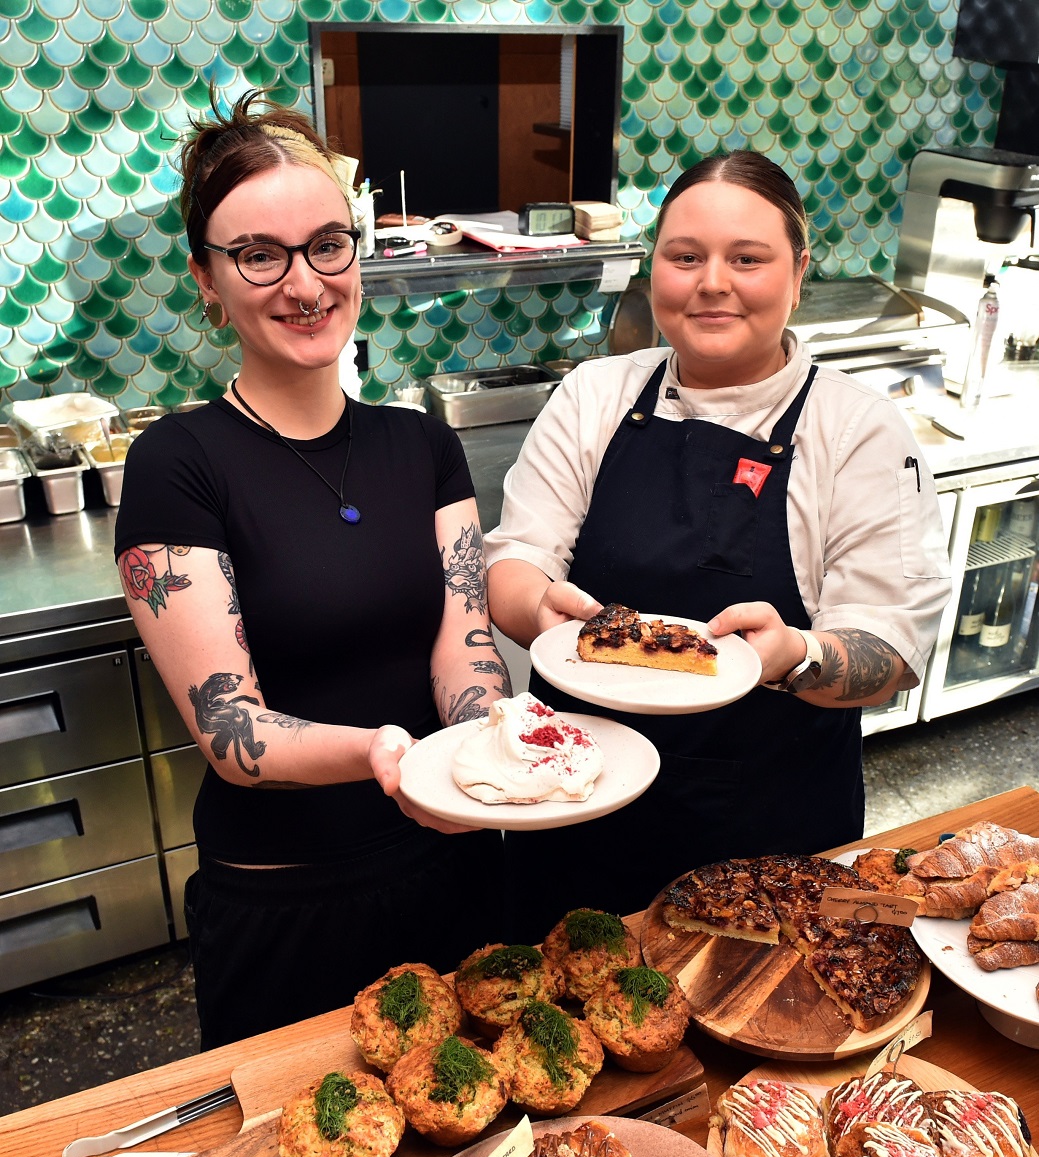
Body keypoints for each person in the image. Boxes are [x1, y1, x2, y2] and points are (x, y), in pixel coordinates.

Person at [114, 92, 511, 1049]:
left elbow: (463, 651)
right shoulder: (178, 462)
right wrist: (388, 756)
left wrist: (493, 738)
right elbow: (231, 728)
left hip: (452, 867)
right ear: (208, 280)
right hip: (290, 902)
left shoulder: (421, 445)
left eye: (327, 244)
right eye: (259, 254)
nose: (304, 284)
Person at [486, 151, 951, 938]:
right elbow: (511, 564)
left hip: (768, 834)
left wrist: (793, 655)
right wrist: (540, 606)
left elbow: (891, 654)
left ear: (797, 273)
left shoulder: (857, 429)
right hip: (576, 802)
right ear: (653, 267)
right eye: (684, 256)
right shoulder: (595, 395)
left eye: (747, 258)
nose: (711, 282)